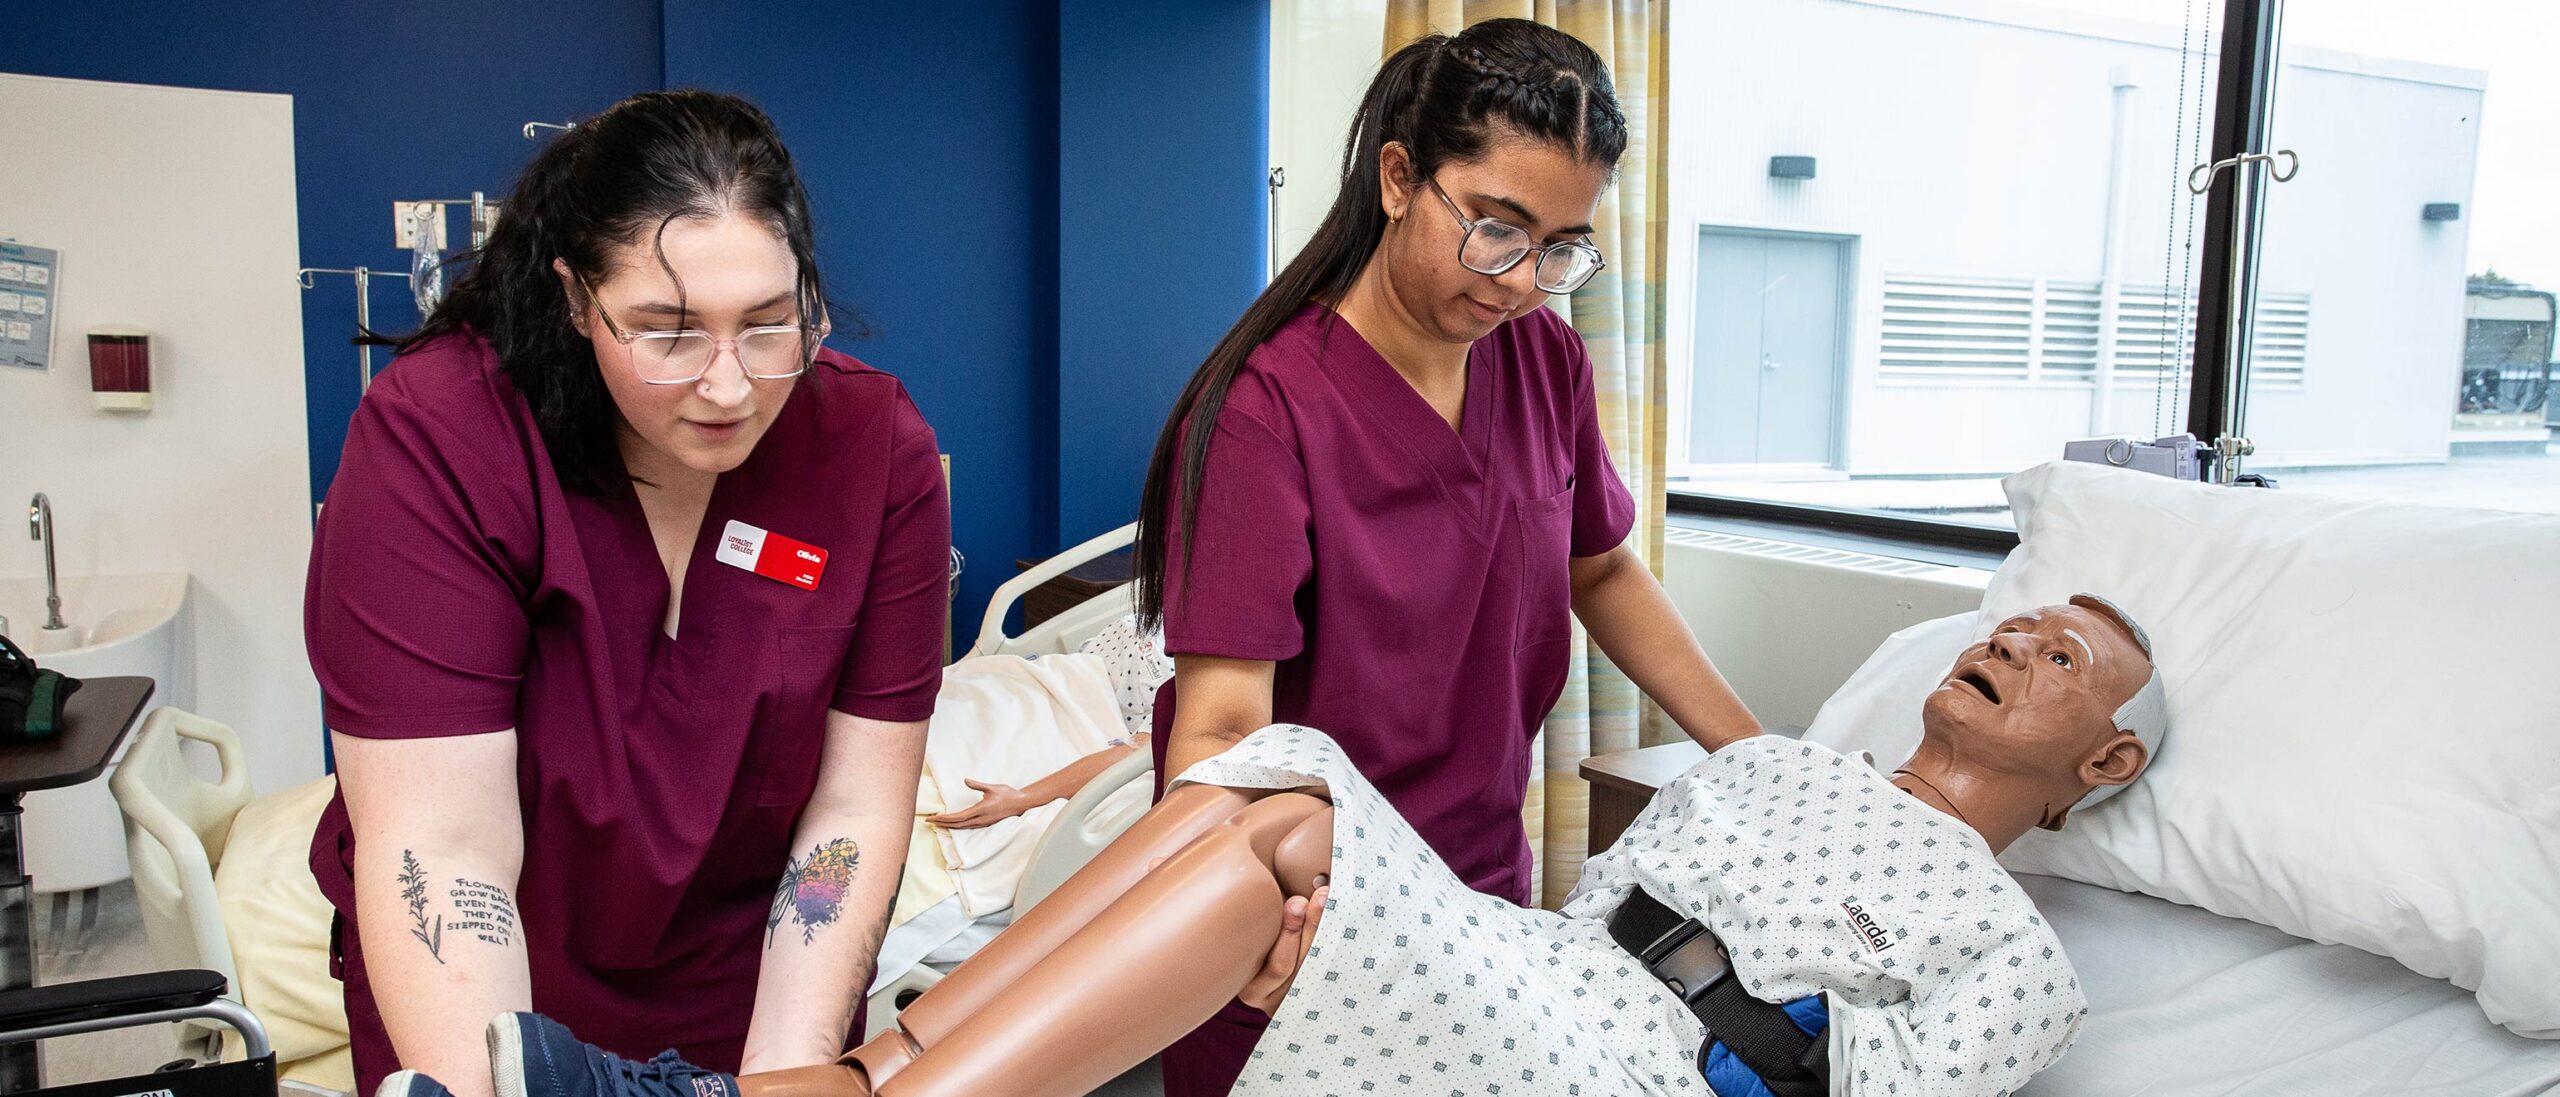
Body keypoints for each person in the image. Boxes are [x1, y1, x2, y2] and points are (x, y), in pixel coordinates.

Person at [378, 595, 2167, 1097]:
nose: (2010, 637)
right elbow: (1586, 906)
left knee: (1272, 835)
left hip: (1648, 1073)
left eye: (2064, 652)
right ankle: (844, 1091)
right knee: (1282, 766)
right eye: (2012, 619)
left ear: (2102, 756)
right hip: (1544, 977)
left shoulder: (2021, 967)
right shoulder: (1767, 769)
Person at [1129, 20, 1762, 1090]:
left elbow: (1600, 566)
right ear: (1397, 178)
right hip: (1298, 915)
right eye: (1497, 229)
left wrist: (1757, 760)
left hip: (1478, 894)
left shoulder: (1543, 360)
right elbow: (1226, 728)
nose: (1521, 279)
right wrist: (1245, 918)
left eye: (1560, 246)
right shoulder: (1263, 410)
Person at [305, 89, 950, 1097]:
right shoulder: (442, 436)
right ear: (574, 298)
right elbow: (443, 843)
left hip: (759, 995)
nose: (729, 385)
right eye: (667, 330)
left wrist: (780, 1076)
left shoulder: (875, 452)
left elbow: (853, 809)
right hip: (486, 1000)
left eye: (770, 324)